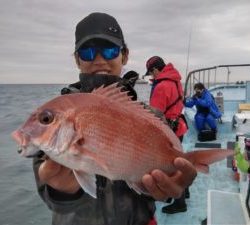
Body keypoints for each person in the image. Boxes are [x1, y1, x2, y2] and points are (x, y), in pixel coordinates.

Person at [33, 12, 197, 225]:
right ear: (76, 59)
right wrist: (62, 191)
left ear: (125, 55)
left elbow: (161, 186)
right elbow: (49, 196)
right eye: (88, 51)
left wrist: (170, 188)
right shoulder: (54, 118)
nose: (99, 59)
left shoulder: (152, 118)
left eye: (109, 50)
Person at [145, 56, 190, 214]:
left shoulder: (161, 86)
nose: (152, 77)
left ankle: (180, 202)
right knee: (178, 161)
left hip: (170, 132)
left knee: (170, 166)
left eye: (151, 73)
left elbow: (154, 116)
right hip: (180, 128)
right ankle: (186, 190)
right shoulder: (175, 80)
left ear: (156, 70)